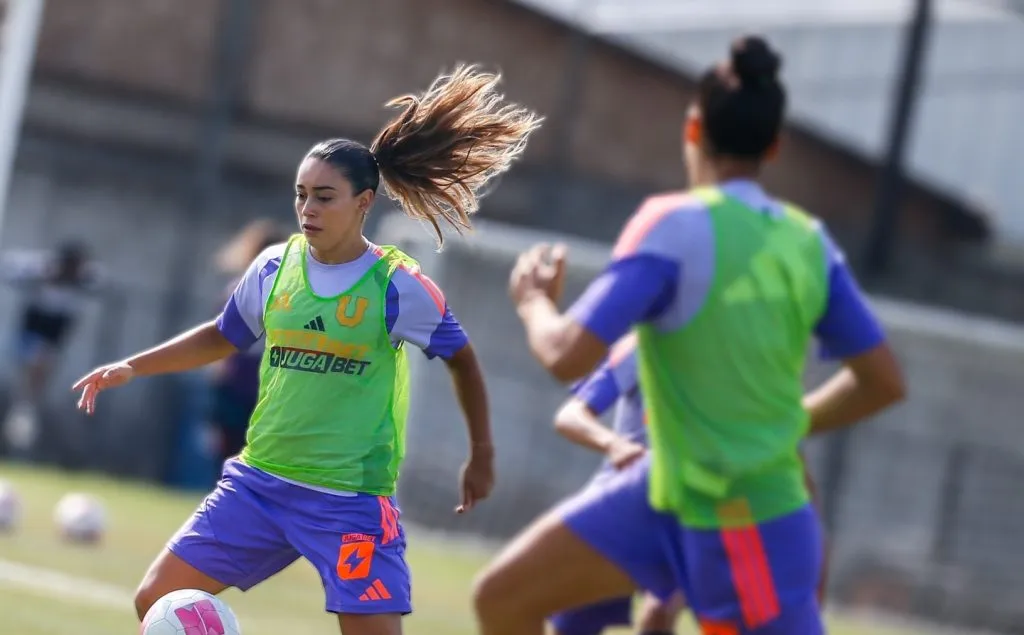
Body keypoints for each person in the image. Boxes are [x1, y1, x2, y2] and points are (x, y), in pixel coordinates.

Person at [72, 65, 542, 635]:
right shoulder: (275, 268)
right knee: (158, 602)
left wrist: (483, 452)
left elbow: (462, 358)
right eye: (301, 196)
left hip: (348, 502)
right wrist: (131, 366)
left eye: (325, 197)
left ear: (364, 202)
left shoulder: (396, 285)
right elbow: (223, 335)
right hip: (259, 484)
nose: (308, 209)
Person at [476, 35, 905, 635]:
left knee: (504, 604)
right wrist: (792, 423)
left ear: (693, 129)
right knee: (502, 596)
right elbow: (881, 381)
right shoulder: (808, 242)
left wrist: (532, 304)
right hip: (660, 497)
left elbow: (563, 352)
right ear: (774, 146)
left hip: (745, 514)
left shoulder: (670, 225)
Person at [549, 333, 686, 635]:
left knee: (659, 612)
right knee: (573, 625)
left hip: (686, 507)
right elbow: (570, 415)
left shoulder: (737, 355)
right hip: (620, 505)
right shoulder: (642, 344)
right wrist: (615, 445)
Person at [1, 240, 103, 452]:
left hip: (55, 335)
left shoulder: (83, 278)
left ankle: (27, 407)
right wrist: (41, 274)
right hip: (34, 330)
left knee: (42, 371)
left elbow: (99, 280)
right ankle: (23, 407)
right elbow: (10, 267)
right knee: (36, 364)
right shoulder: (42, 268)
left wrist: (79, 277)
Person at [206, 219, 289, 466]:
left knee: (232, 462)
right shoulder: (243, 290)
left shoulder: (287, 293)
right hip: (257, 387)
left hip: (247, 386)